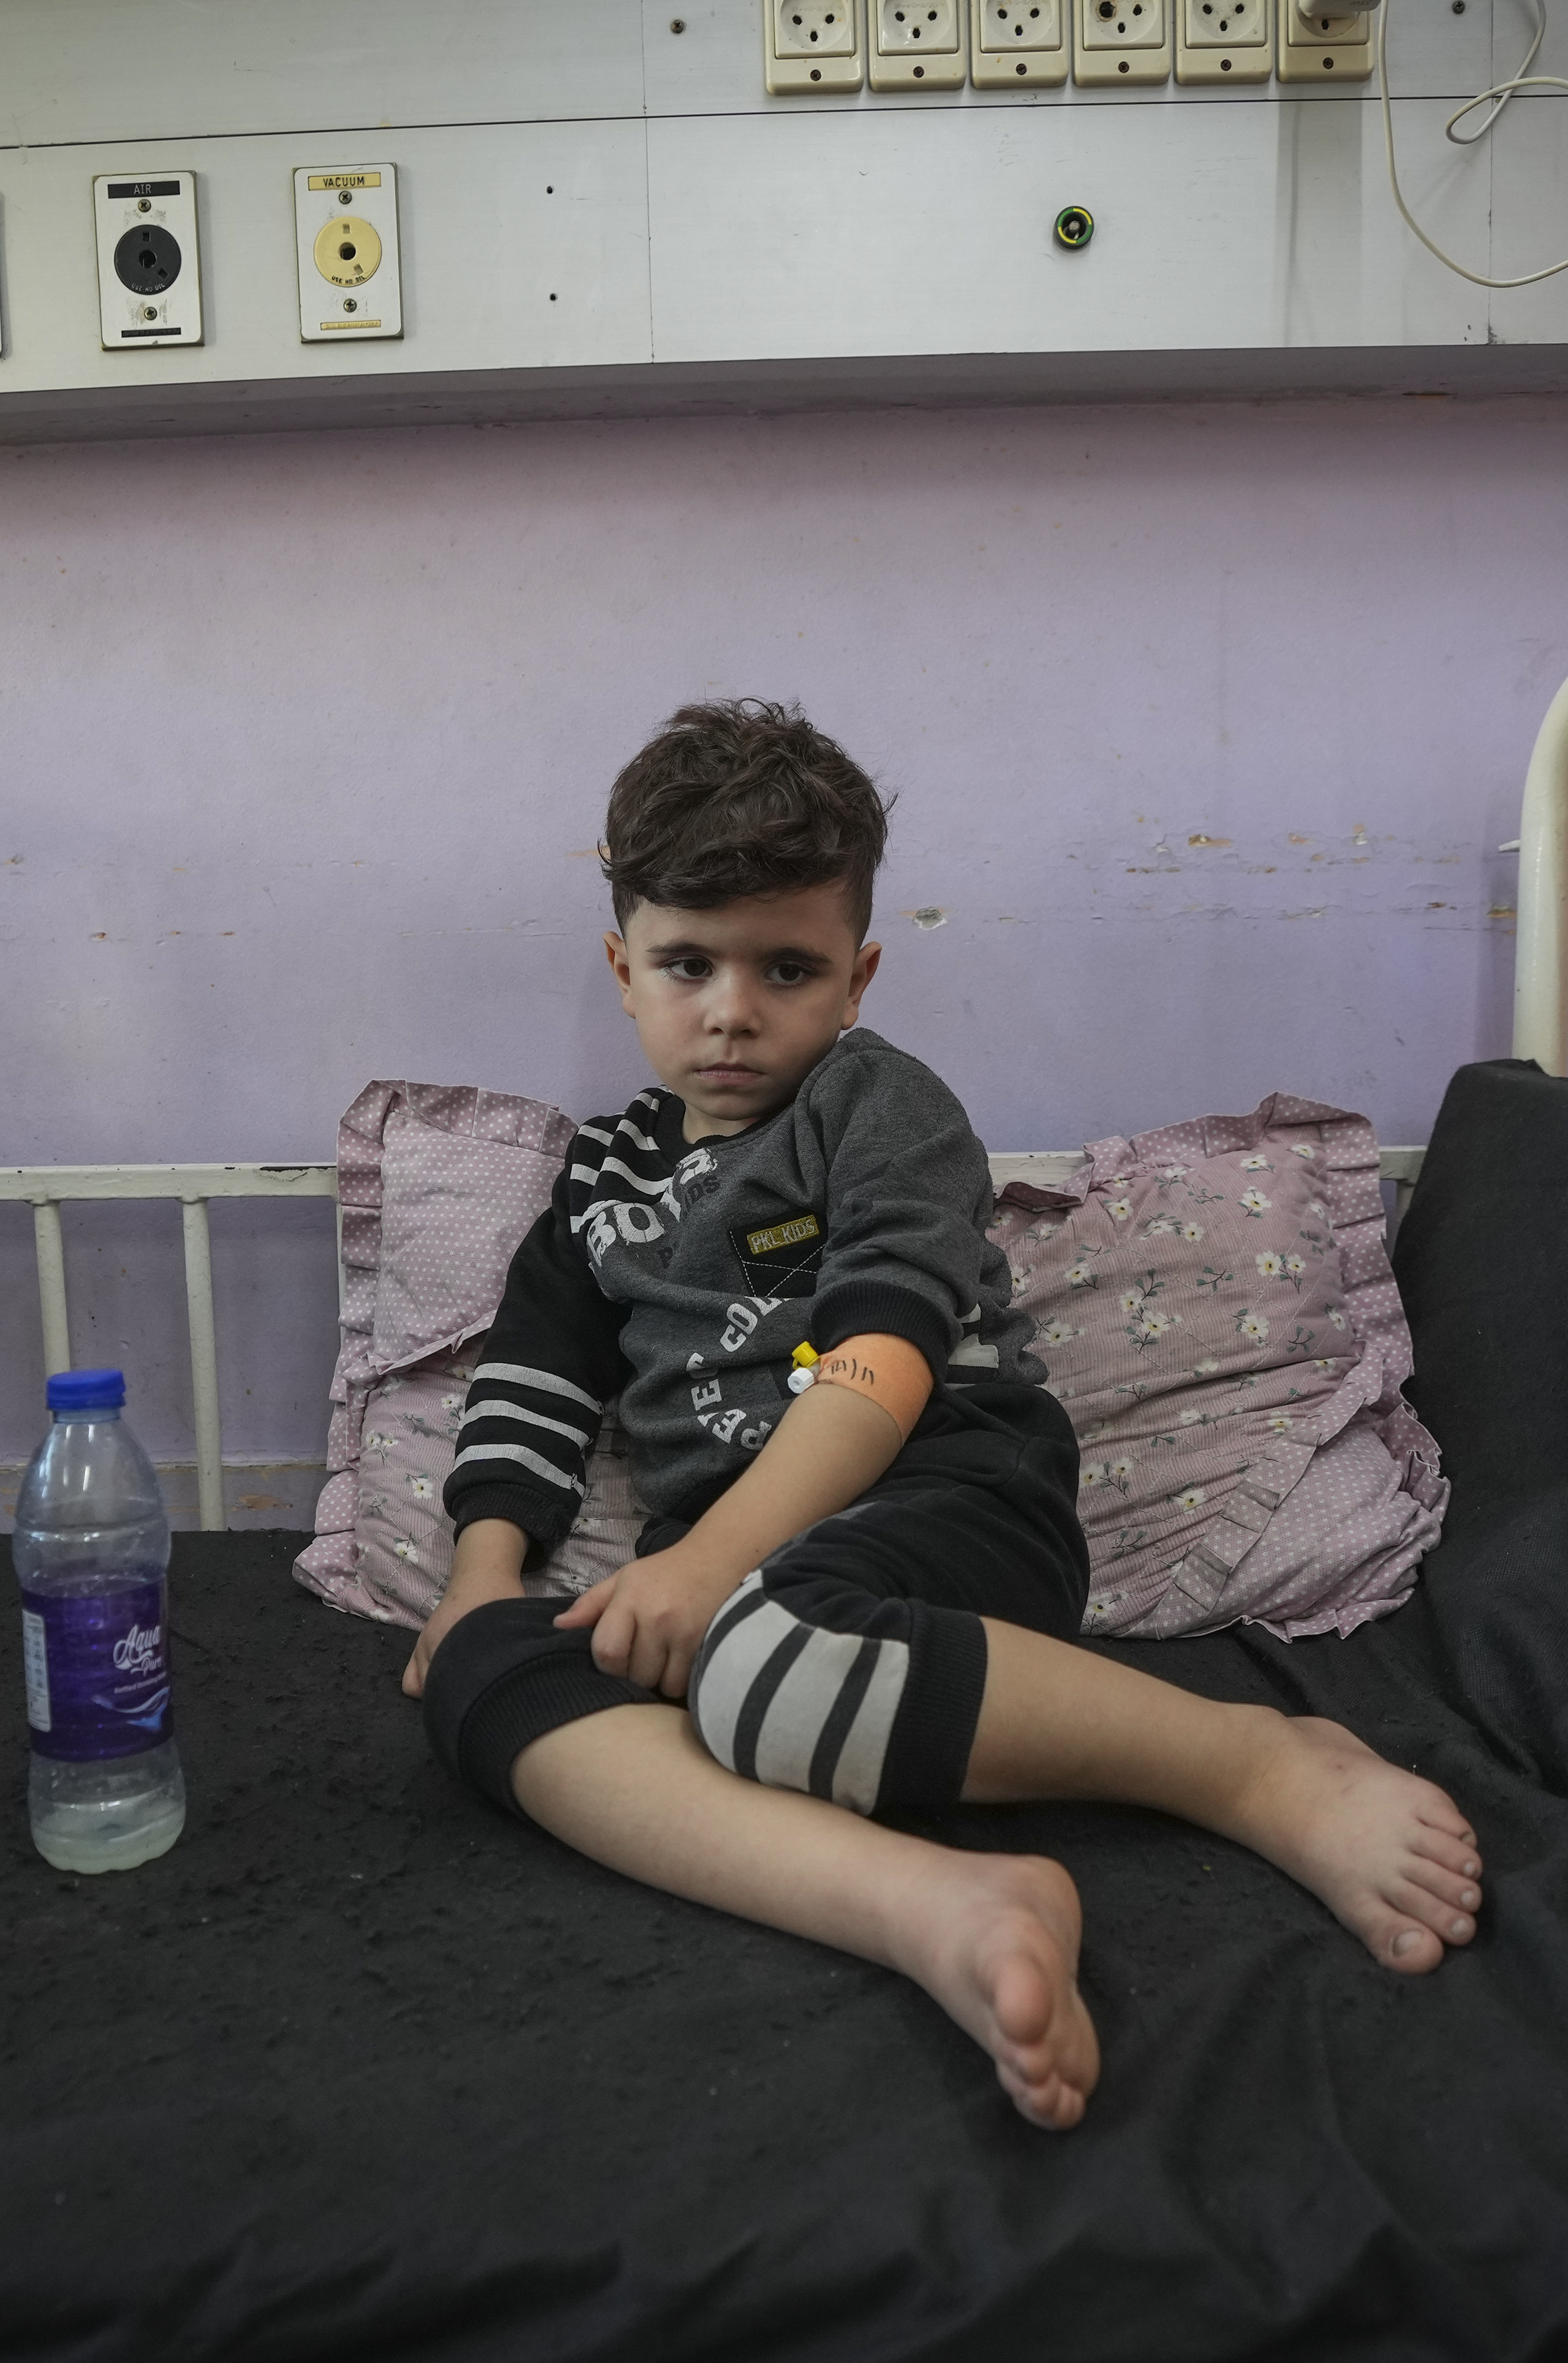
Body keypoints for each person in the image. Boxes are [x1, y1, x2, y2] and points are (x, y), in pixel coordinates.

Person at [401, 699, 1481, 2129]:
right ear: (622, 968)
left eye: (786, 966)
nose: (732, 1008)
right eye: (687, 964)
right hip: (747, 1571)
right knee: (487, 1678)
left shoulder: (878, 1105)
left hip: (951, 1495)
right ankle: (936, 1905)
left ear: (857, 973)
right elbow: (535, 1379)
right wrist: (478, 1587)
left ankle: (1257, 1764)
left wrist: (713, 1562)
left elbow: (889, 1355)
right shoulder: (600, 1181)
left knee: (758, 1651)